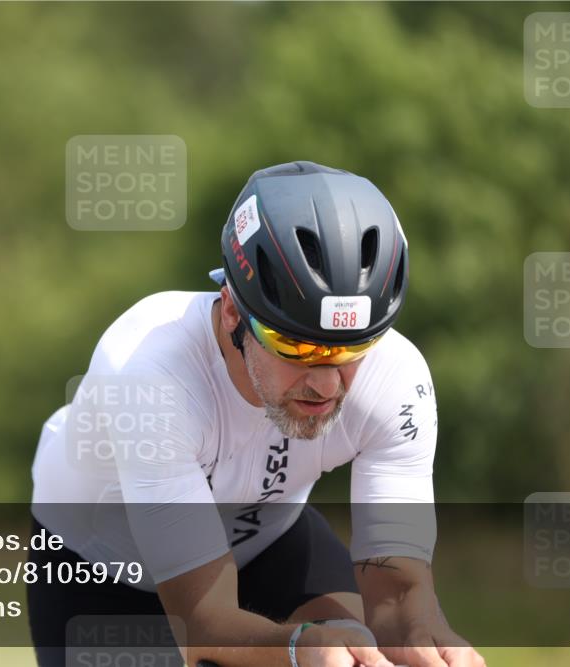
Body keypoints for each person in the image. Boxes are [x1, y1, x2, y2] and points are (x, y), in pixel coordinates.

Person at [28, 161, 485, 667]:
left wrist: (426, 639)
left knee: (355, 652)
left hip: (269, 538)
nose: (326, 381)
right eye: (294, 344)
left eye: (355, 347)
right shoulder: (151, 371)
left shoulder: (395, 376)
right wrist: (300, 649)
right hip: (104, 571)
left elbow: (398, 595)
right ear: (231, 311)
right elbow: (202, 624)